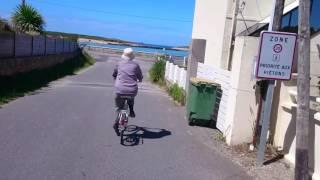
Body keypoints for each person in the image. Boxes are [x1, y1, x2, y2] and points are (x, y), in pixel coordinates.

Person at [112, 48, 143, 129]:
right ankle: (131, 110)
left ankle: (116, 122)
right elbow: (140, 76)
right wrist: (140, 79)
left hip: (119, 90)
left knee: (119, 107)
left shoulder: (119, 64)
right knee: (130, 96)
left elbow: (114, 74)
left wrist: (116, 77)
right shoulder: (136, 65)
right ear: (132, 56)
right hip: (132, 90)